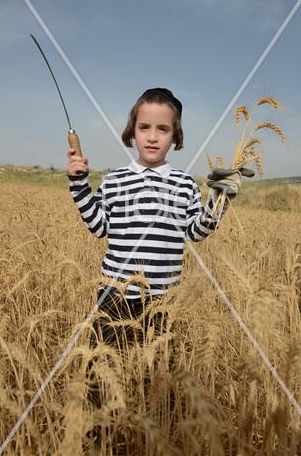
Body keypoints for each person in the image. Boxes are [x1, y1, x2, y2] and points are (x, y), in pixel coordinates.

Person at [66, 88, 247, 440]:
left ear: (175, 136)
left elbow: (197, 231)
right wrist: (78, 183)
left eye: (163, 129)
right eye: (144, 127)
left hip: (164, 303)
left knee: (161, 381)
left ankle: (161, 439)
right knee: (101, 377)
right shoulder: (116, 180)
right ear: (131, 131)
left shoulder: (183, 185)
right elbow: (98, 225)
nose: (152, 136)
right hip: (114, 299)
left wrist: (220, 200)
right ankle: (96, 441)